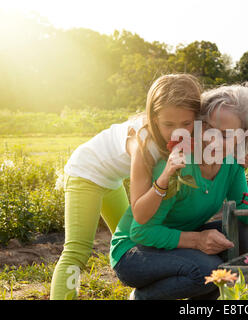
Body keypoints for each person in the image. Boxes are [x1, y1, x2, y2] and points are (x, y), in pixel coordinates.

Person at [110, 85, 248, 300]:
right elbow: (141, 232)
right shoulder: (178, 165)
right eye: (208, 127)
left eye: (226, 135)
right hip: (134, 253)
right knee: (210, 271)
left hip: (173, 245)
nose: (212, 140)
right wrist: (197, 240)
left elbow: (240, 207)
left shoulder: (230, 163)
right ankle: (143, 298)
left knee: (241, 234)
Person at [50, 74, 203, 300]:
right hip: (86, 171)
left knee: (134, 241)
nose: (176, 131)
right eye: (168, 124)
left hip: (111, 180)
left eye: (185, 124)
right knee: (77, 251)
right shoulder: (141, 142)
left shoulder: (190, 134)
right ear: (153, 118)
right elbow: (142, 206)